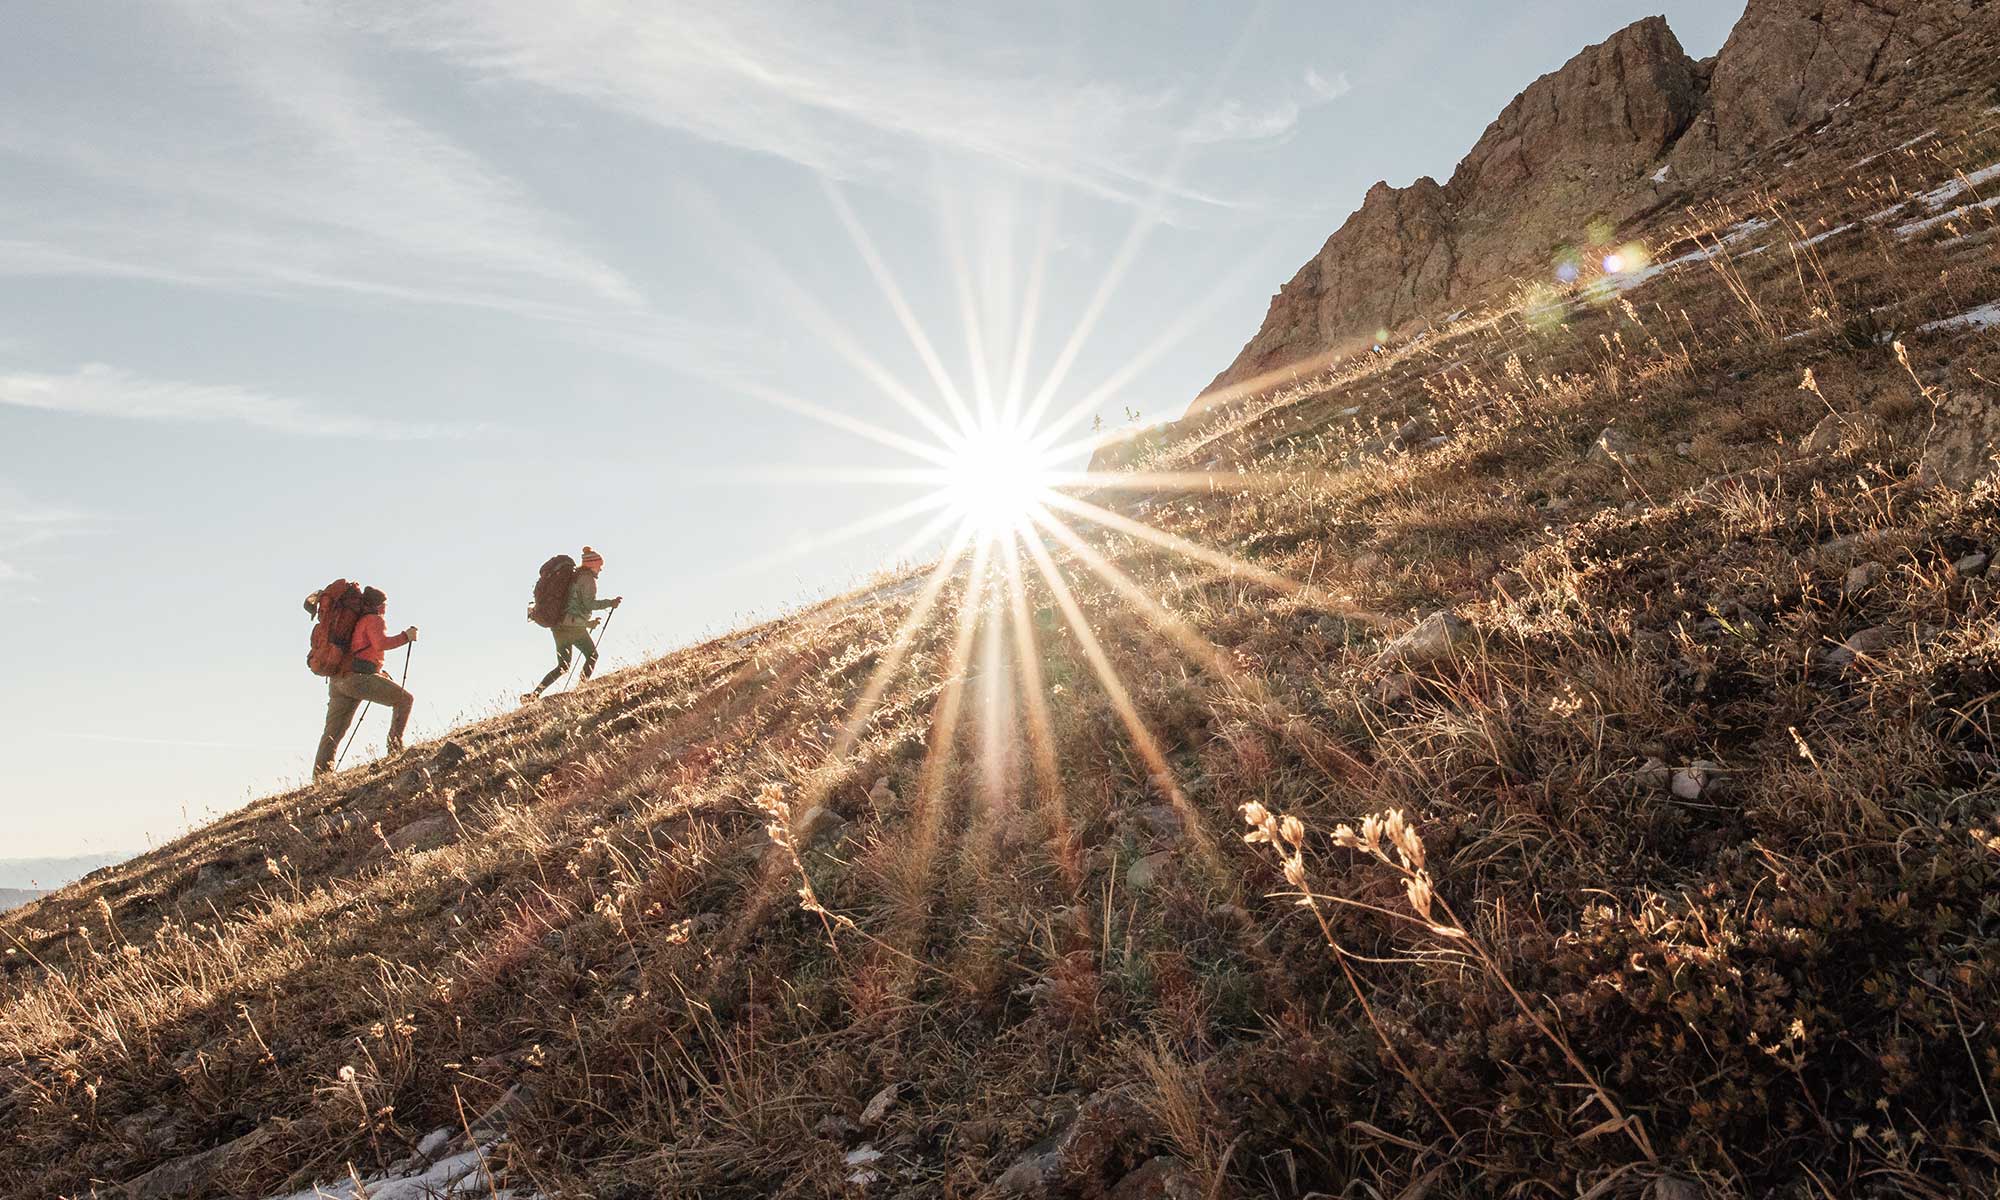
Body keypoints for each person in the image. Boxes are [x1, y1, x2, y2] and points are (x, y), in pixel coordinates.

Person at [313, 586, 418, 777]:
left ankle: (320, 776)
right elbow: (380, 644)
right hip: (357, 680)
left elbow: (361, 651)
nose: (385, 608)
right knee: (404, 700)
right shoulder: (374, 619)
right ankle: (395, 747)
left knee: (333, 731)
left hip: (339, 679)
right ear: (377, 605)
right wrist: (406, 637)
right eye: (384, 604)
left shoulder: (357, 621)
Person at [524, 546, 621, 701]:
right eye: (599, 565)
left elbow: (571, 606)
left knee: (562, 666)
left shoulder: (574, 577)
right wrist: (611, 603)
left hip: (558, 627)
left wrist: (588, 624)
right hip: (572, 627)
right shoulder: (587, 579)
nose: (600, 569)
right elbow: (588, 604)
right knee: (592, 655)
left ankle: (534, 695)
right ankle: (581, 688)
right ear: (592, 565)